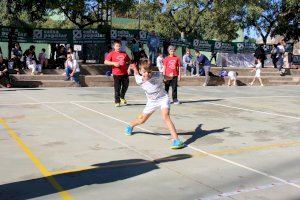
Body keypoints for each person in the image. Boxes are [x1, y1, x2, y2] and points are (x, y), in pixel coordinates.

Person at [125, 59, 185, 149]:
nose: (147, 74)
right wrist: (134, 68)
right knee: (142, 121)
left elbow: (166, 77)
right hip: (151, 102)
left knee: (166, 116)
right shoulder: (139, 80)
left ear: (152, 71)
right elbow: (136, 73)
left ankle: (176, 140)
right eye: (144, 72)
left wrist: (171, 77)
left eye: (149, 72)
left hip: (163, 98)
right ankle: (130, 125)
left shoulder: (158, 75)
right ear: (141, 71)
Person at [104, 39, 132, 107]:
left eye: (119, 46)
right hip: (116, 74)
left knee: (125, 86)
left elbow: (129, 62)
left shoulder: (124, 53)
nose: (118, 47)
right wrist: (114, 63)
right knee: (117, 88)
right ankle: (117, 101)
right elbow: (106, 62)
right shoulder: (111, 53)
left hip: (125, 73)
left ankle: (122, 97)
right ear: (114, 46)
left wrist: (129, 69)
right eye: (117, 46)